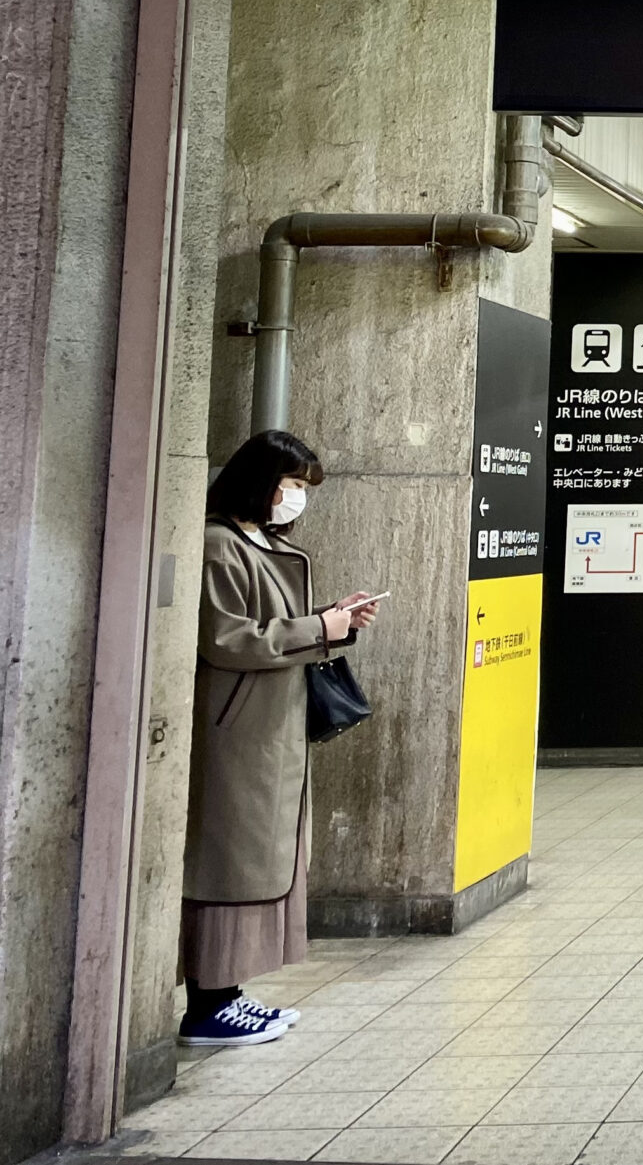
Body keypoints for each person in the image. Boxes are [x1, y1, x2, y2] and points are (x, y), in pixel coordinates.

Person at [179, 430, 378, 1048]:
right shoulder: (219, 545)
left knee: (260, 858)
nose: (296, 499)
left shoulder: (260, 542)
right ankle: (206, 1005)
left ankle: (229, 992)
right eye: (291, 485)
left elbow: (271, 629)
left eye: (302, 488)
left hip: (268, 728)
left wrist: (334, 622)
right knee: (228, 863)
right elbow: (228, 638)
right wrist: (319, 626)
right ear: (259, 480)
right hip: (237, 732)